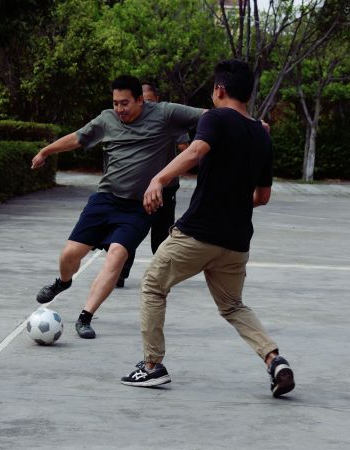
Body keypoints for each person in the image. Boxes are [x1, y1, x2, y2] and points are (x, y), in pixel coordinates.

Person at [120, 60, 295, 397]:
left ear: (219, 90)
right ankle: (275, 360)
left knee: (153, 286)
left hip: (198, 234)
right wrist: (234, 199)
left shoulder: (215, 118)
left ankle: (152, 366)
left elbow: (197, 150)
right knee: (233, 306)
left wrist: (159, 178)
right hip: (236, 241)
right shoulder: (262, 134)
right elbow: (263, 196)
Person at [31, 75, 205, 339]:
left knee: (116, 255)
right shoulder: (107, 119)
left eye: (125, 103)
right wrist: (46, 151)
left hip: (138, 208)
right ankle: (63, 282)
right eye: (116, 103)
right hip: (105, 200)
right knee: (69, 255)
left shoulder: (165, 114)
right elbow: (78, 138)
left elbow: (209, 116)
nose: (120, 109)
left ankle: (85, 317)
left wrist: (248, 123)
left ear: (140, 100)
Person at [117, 81, 191, 288]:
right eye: (142, 102)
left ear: (156, 100)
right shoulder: (127, 120)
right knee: (127, 231)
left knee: (161, 234)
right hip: (136, 188)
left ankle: (163, 274)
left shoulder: (167, 119)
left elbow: (186, 149)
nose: (145, 106)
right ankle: (120, 273)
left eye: (149, 101)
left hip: (165, 188)